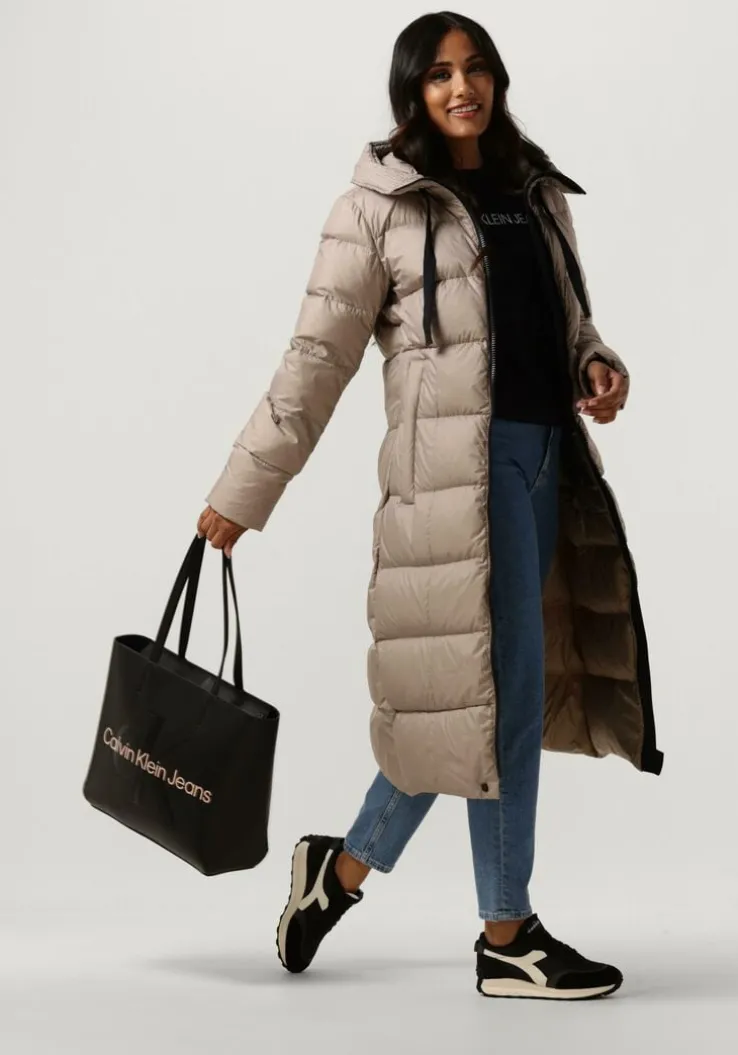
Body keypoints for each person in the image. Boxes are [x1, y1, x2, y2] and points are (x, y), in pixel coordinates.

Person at [197, 11, 663, 1000]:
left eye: (477, 68)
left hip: (546, 464)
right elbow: (314, 362)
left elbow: (567, 323)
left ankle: (341, 870)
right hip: (457, 483)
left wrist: (595, 363)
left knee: (476, 704)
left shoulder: (534, 189)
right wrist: (244, 490)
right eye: (440, 73)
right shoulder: (377, 207)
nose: (463, 87)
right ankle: (507, 933)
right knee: (504, 703)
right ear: (411, 90)